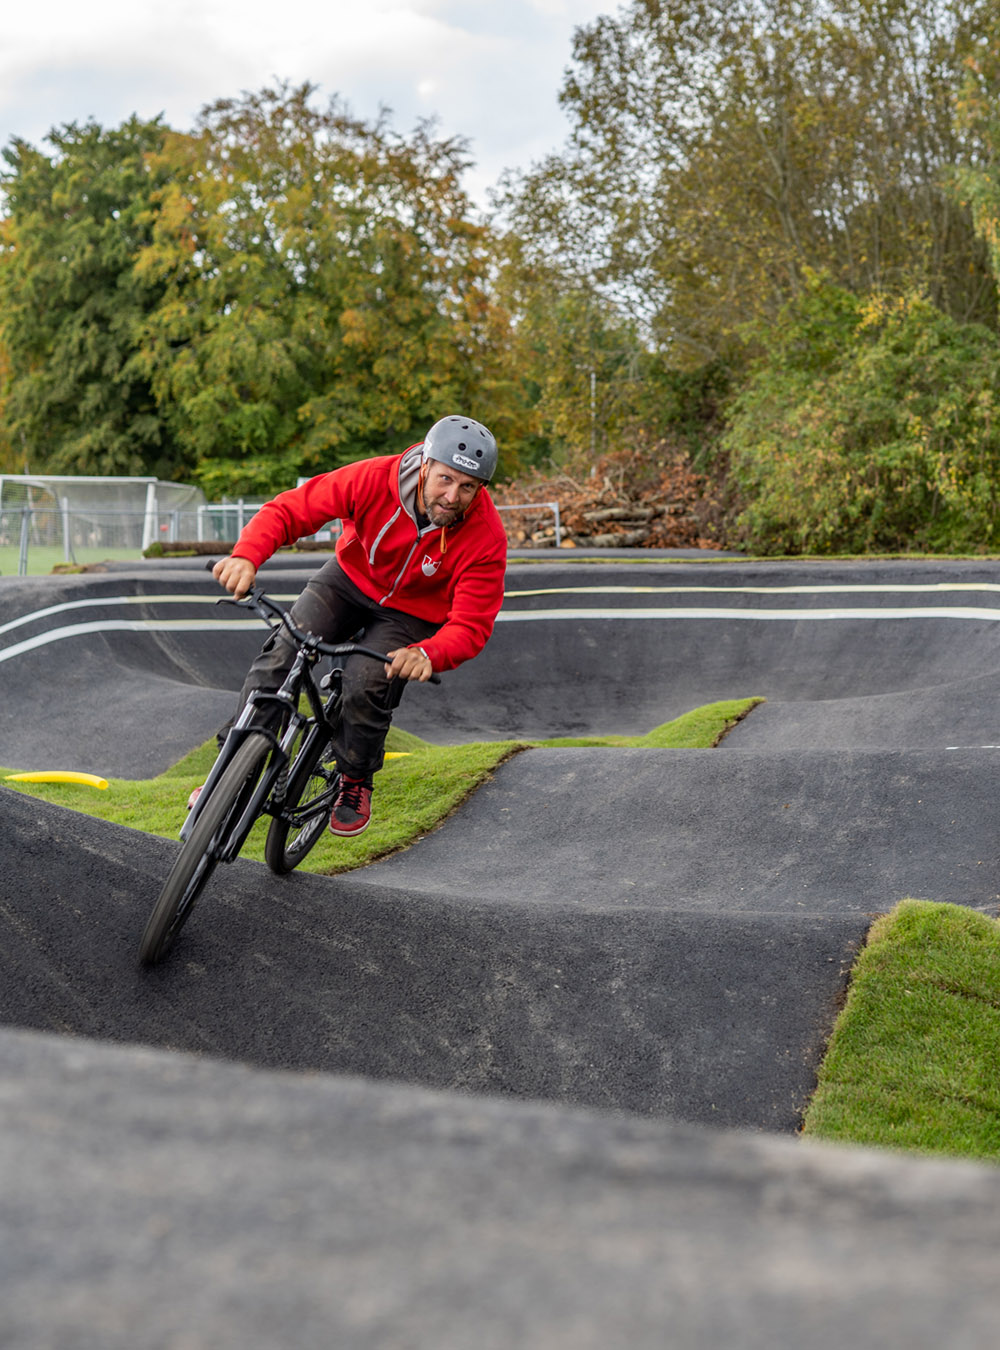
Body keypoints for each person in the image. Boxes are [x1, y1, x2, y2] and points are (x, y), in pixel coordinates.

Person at [205, 414, 507, 837]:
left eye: (467, 487)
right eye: (444, 479)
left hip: (411, 614)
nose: (452, 496)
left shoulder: (485, 536)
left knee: (366, 683)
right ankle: (233, 768)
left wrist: (428, 652)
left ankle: (354, 778)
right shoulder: (372, 478)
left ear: (481, 489)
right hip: (348, 579)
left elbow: (473, 623)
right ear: (424, 464)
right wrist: (246, 555)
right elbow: (292, 509)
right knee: (282, 653)